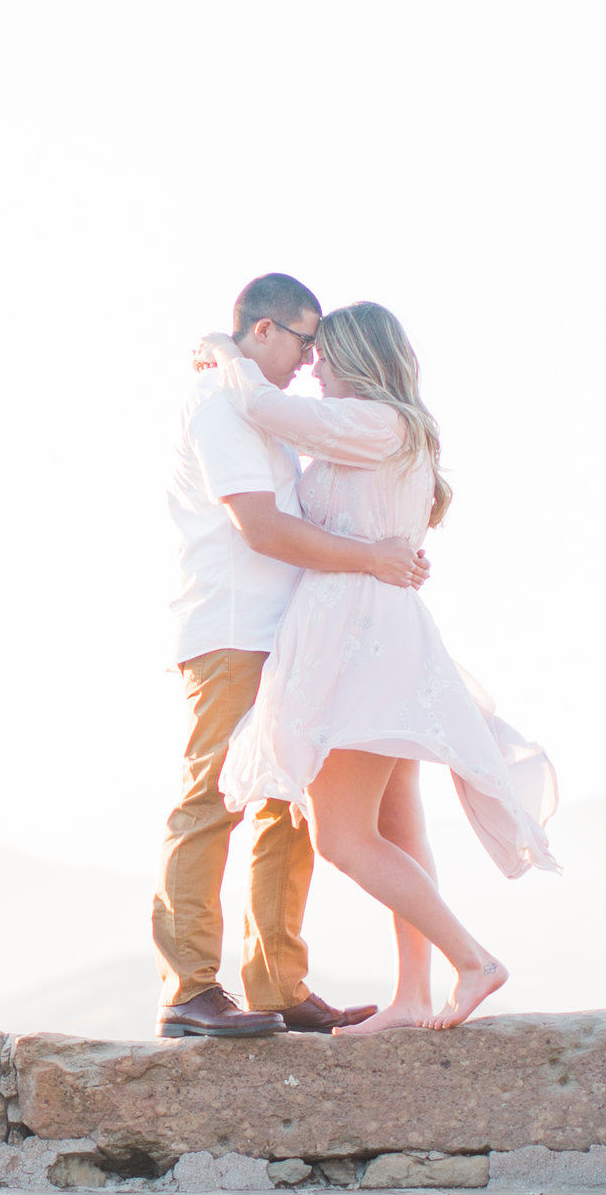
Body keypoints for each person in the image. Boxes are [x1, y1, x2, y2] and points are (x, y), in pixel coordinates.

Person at [200, 302, 556, 1031]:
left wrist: (221, 352)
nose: (314, 368)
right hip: (374, 629)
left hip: (356, 635)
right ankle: (413, 996)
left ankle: (473, 960)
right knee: (398, 825)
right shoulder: (387, 432)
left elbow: (265, 407)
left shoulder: (376, 423)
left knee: (342, 838)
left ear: (358, 358)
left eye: (324, 355)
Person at [153, 273, 437, 1040]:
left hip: (288, 633)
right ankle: (188, 989)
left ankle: (277, 985)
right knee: (215, 798)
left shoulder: (268, 411)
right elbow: (263, 530)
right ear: (265, 330)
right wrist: (372, 559)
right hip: (233, 629)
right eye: (306, 339)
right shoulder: (220, 406)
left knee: (285, 807)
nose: (314, 357)